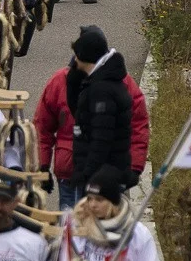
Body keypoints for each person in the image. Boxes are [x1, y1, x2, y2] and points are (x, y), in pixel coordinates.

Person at [34, 56, 149, 210]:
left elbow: (138, 125)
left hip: (110, 175)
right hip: (71, 174)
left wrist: (135, 167)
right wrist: (42, 165)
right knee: (73, 229)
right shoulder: (59, 81)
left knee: (106, 228)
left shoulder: (123, 83)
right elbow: (42, 127)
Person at [68, 25, 135, 192]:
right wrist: (74, 80)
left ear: (84, 56)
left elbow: (101, 138)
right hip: (101, 172)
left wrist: (87, 174)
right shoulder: (96, 83)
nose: (74, 60)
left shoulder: (101, 91)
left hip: (102, 179)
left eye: (77, 54)